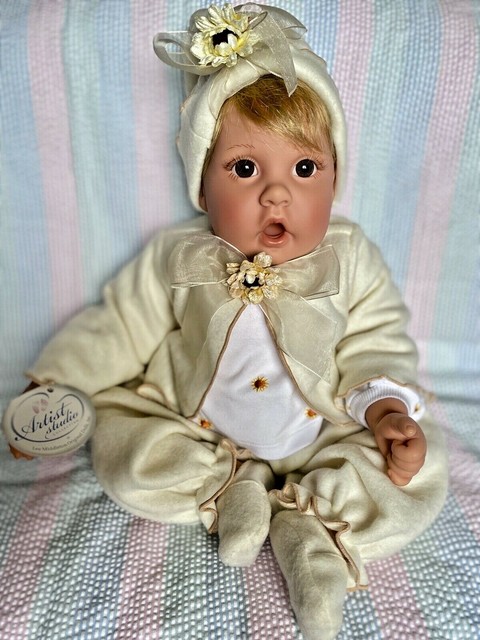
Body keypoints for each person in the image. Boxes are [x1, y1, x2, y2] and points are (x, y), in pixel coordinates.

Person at [11, 4, 447, 638]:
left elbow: (374, 338)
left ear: (334, 181)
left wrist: (384, 409)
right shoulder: (179, 255)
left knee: (416, 471)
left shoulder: (349, 256)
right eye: (245, 169)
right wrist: (54, 385)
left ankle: (309, 530)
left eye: (304, 169)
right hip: (200, 430)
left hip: (318, 434)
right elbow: (119, 327)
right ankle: (226, 490)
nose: (277, 193)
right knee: (124, 450)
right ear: (202, 187)